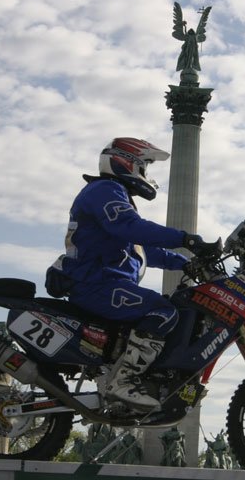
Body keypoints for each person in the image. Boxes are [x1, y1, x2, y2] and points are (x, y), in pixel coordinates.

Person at [45, 137, 218, 410]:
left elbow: (143, 249)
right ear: (128, 163)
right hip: (95, 283)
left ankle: (136, 377)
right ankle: (125, 382)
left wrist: (184, 263)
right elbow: (131, 227)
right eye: (145, 166)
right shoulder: (105, 189)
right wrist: (185, 239)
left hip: (103, 283)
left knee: (165, 309)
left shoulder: (113, 194)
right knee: (163, 311)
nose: (146, 174)